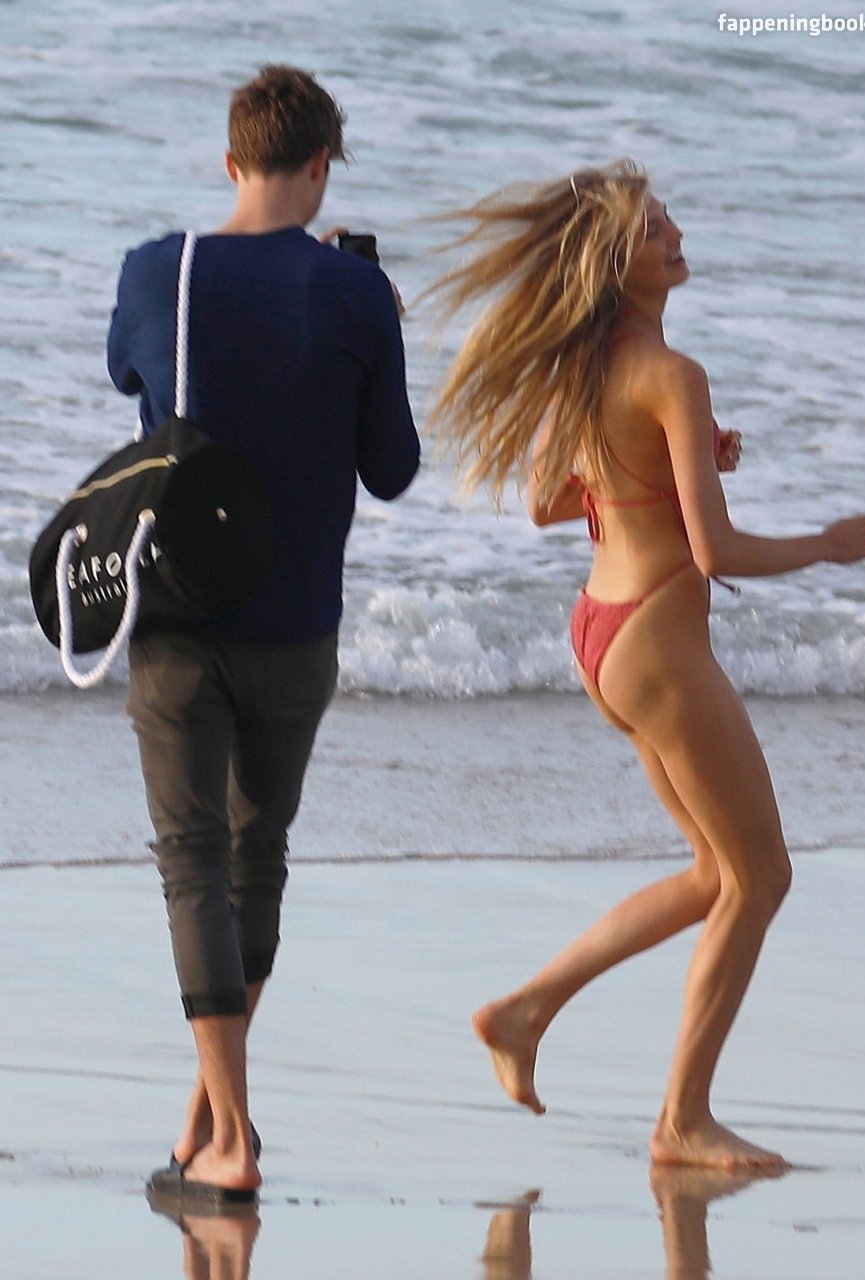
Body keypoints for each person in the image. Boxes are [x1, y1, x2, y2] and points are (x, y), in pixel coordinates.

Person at [429, 160, 865, 1170]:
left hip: (602, 632)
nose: (674, 235)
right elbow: (715, 554)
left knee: (715, 874)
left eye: (668, 220)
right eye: (651, 231)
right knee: (760, 878)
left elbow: (548, 501)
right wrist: (826, 544)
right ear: (612, 264)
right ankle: (681, 1120)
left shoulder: (585, 366)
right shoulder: (672, 375)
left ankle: (524, 1009)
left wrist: (678, 465)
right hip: (659, 645)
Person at [107, 64, 420, 1203]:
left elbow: (130, 376)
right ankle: (207, 1121)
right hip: (297, 630)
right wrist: (367, 315)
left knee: (191, 862)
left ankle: (227, 1133)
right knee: (255, 859)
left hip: (178, 623)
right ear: (322, 165)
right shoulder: (352, 294)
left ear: (231, 160)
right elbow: (391, 469)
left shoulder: (159, 269)